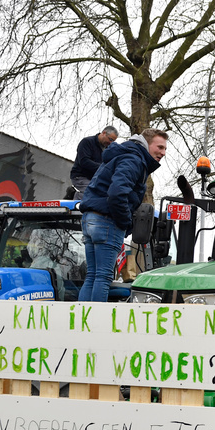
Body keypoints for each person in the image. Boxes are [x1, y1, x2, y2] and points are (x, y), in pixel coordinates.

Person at [79, 128, 166, 302]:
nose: (163, 153)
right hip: (106, 221)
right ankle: (95, 325)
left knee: (92, 276)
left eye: (165, 149)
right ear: (147, 144)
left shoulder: (123, 155)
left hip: (90, 218)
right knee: (103, 277)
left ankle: (81, 322)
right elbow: (117, 193)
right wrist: (125, 221)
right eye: (160, 147)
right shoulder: (134, 160)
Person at [71, 127, 119, 194]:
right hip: (81, 176)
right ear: (104, 133)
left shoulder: (108, 149)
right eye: (110, 139)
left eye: (113, 141)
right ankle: (78, 202)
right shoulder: (87, 142)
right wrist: (103, 168)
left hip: (95, 179)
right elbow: (84, 161)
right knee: (88, 193)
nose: (110, 143)